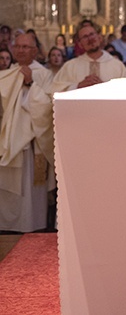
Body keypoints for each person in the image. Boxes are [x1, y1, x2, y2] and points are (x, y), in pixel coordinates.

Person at [0, 32, 54, 232]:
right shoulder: (6, 73)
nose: (21, 50)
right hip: (8, 140)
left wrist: (31, 84)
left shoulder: (44, 74)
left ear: (34, 51)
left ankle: (33, 230)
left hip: (32, 144)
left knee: (30, 194)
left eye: (26, 47)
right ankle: (7, 230)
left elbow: (49, 105)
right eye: (18, 47)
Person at [51, 23, 126, 92]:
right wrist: (78, 86)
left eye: (92, 34)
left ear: (99, 38)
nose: (90, 39)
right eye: (85, 37)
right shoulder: (70, 66)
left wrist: (105, 88)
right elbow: (55, 92)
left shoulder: (117, 66)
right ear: (80, 44)